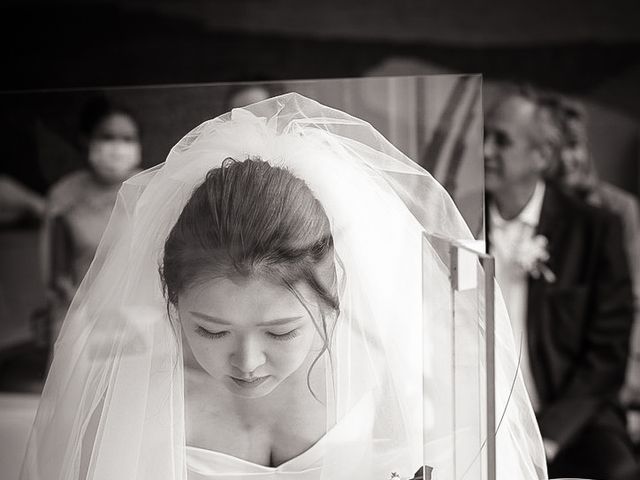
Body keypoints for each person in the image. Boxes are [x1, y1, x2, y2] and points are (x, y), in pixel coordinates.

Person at [22, 93, 546, 480]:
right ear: (172, 299)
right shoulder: (128, 397)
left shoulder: (390, 379)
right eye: (210, 330)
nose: (247, 362)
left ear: (333, 296)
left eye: (280, 332)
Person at [484, 86, 638, 479]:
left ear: (542, 156)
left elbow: (607, 354)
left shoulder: (594, 229)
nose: (485, 151)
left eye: (501, 141)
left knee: (618, 470)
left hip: (569, 417)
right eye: (483, 136)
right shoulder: (459, 219)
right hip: (478, 410)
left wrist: (549, 436)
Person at [550, 96, 640, 443]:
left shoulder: (619, 210)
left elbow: (631, 303)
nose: (570, 159)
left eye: (576, 146)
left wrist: (625, 389)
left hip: (611, 379)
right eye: (560, 148)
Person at [41, 96, 142, 346]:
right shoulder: (64, 196)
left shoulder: (150, 189)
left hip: (143, 321)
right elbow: (55, 274)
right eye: (108, 137)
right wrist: (89, 312)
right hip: (80, 321)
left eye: (128, 139)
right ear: (86, 140)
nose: (118, 147)